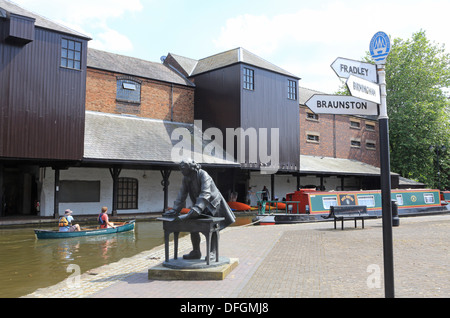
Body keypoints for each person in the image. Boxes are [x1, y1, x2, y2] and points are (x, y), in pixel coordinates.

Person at [163, 159, 236, 260]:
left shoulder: (203, 175)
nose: (181, 171)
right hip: (200, 205)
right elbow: (182, 194)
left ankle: (213, 252)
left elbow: (205, 194)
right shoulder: (186, 178)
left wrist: (197, 208)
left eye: (183, 169)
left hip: (213, 205)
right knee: (192, 224)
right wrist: (175, 210)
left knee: (213, 227)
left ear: (191, 168)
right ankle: (196, 251)